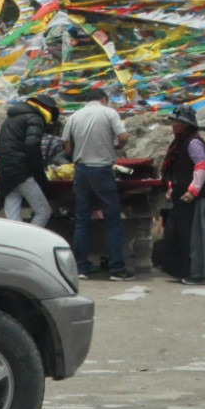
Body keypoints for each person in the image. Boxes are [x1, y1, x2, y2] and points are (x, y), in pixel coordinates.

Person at [64, 87, 131, 280]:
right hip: (102, 169)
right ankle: (117, 268)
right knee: (112, 219)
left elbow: (67, 148)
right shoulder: (109, 113)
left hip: (81, 170)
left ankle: (82, 267)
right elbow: (124, 137)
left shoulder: (74, 116)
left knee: (82, 220)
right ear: (103, 99)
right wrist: (117, 147)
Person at [158, 108, 205, 283]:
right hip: (182, 196)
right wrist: (171, 186)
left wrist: (193, 190)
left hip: (197, 197)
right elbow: (175, 170)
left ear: (184, 125)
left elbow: (201, 166)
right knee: (177, 234)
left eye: (175, 122)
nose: (173, 125)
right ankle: (182, 271)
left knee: (196, 236)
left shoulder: (194, 143)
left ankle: (197, 273)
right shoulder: (179, 143)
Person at [0, 93, 59, 229]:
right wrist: (39, 173)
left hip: (6, 172)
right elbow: (32, 145)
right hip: (23, 172)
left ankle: (15, 245)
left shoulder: (10, 119)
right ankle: (29, 241)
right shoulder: (35, 117)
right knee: (44, 211)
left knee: (12, 218)